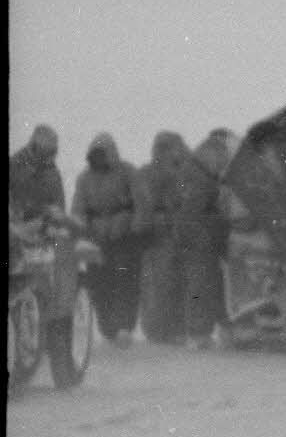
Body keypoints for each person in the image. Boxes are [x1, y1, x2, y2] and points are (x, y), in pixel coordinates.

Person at [70, 133, 147, 347]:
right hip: (96, 240)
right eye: (95, 155)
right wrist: (79, 232)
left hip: (125, 238)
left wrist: (136, 228)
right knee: (99, 284)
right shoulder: (84, 178)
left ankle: (124, 327)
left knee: (126, 282)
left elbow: (141, 203)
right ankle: (108, 328)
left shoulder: (128, 172)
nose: (99, 159)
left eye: (102, 154)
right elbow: (78, 208)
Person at [174, 130, 237, 350]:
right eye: (222, 158)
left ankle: (214, 329)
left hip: (205, 239)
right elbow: (190, 215)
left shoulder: (199, 174)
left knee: (213, 284)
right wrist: (207, 237)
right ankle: (199, 333)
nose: (224, 164)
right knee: (202, 284)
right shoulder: (199, 178)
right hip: (200, 240)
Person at [138, 131, 191, 344]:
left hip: (176, 236)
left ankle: (171, 329)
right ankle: (162, 330)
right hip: (159, 238)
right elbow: (144, 205)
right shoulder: (149, 174)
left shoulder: (185, 172)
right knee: (162, 284)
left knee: (173, 284)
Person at [9, 124, 65, 222]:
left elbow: (60, 208)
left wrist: (54, 216)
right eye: (44, 152)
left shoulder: (53, 174)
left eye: (51, 152)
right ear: (34, 148)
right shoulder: (14, 164)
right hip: (15, 223)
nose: (48, 159)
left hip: (43, 225)